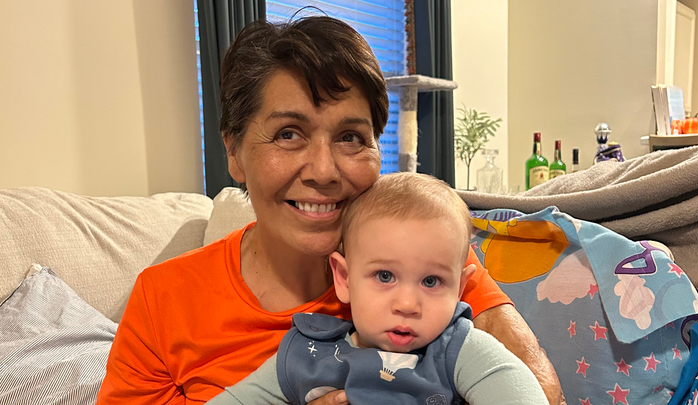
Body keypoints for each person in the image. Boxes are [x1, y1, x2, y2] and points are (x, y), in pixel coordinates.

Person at [97, 15, 564, 405]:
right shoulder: (163, 302)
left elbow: (539, 391)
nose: (323, 170)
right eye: (288, 134)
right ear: (234, 152)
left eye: (350, 138)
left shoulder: (424, 265)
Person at [206, 172, 549, 405]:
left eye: (431, 281)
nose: (407, 304)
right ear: (343, 278)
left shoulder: (458, 348)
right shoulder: (307, 352)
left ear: (459, 289)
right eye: (385, 276)